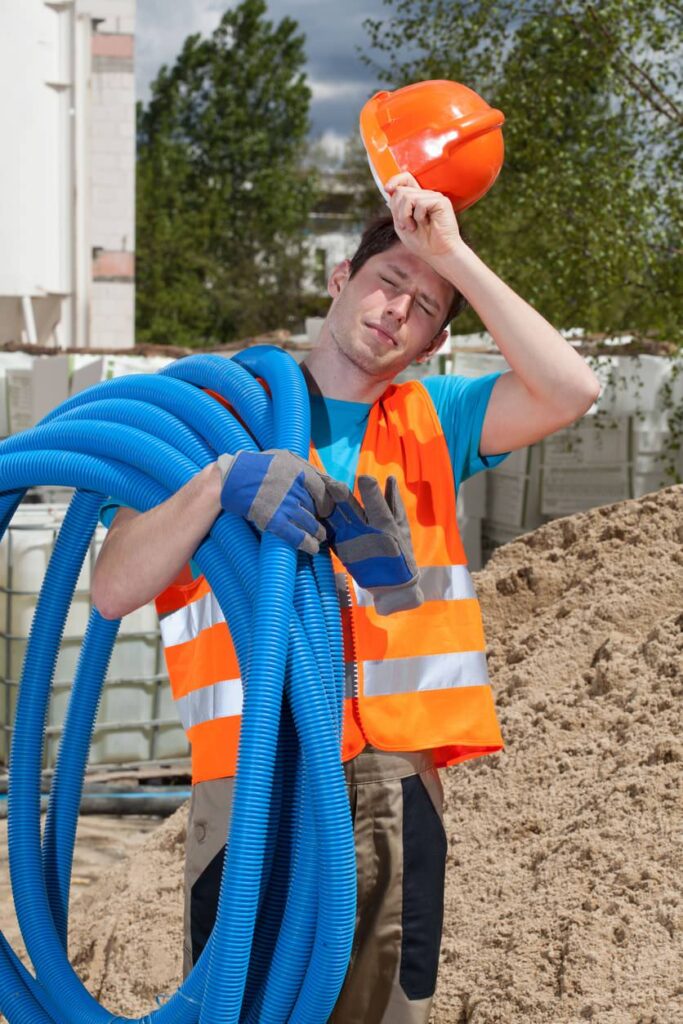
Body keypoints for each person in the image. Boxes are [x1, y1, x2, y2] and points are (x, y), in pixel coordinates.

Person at [92, 171, 601, 1023]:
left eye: (425, 305)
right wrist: (217, 485)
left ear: (434, 340)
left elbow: (571, 389)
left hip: (397, 784)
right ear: (340, 279)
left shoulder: (432, 419)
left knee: (386, 1011)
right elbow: (112, 586)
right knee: (245, 1008)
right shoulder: (217, 420)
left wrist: (453, 256)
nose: (397, 308)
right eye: (387, 280)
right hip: (254, 778)